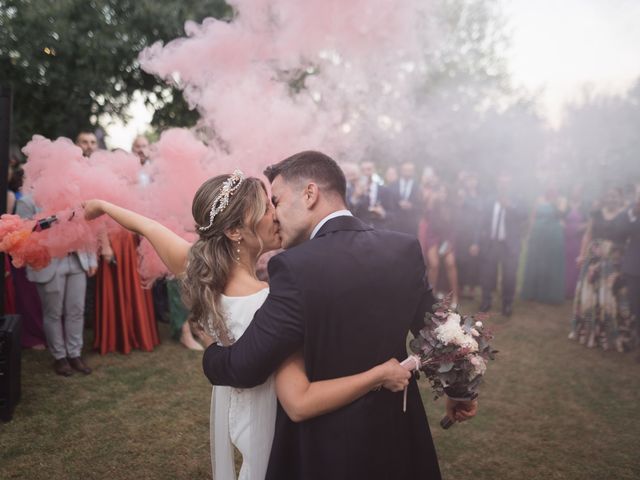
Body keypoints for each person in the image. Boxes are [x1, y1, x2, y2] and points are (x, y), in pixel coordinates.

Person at [83, 168, 418, 480]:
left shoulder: (200, 269)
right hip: (269, 425)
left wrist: (103, 205)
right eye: (267, 208)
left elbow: (149, 227)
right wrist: (379, 374)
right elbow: (299, 402)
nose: (276, 214)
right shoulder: (269, 301)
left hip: (239, 415)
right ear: (233, 231)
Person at [202, 152, 477, 479]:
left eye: (276, 200)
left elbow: (246, 366)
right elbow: (441, 329)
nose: (273, 215)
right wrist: (458, 391)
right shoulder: (403, 249)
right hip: (398, 433)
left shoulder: (293, 268)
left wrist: (212, 352)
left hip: (326, 445)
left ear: (310, 194)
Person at [16, 195, 97, 376]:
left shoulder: (71, 191)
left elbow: (86, 227)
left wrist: (92, 258)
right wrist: (50, 222)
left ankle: (75, 354)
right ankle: (60, 357)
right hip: (49, 263)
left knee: (76, 310)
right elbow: (23, 233)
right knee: (53, 312)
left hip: (76, 260)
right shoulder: (27, 201)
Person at [570, 187, 635, 351]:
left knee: (610, 297)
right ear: (604, 198)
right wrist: (582, 255)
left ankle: (608, 334)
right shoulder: (596, 213)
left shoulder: (626, 216)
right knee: (590, 295)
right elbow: (588, 234)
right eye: (608, 196)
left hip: (613, 263)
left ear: (620, 199)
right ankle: (589, 331)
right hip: (592, 261)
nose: (611, 199)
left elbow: (630, 239)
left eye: (614, 196)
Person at [474, 173, 528, 316]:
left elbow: (524, 215)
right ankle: (486, 301)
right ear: (497, 184)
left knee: (509, 276)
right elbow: (481, 222)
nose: (503, 185)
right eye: (501, 183)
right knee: (487, 274)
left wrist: (510, 206)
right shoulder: (490, 200)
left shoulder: (517, 199)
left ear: (511, 185)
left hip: (509, 245)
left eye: (506, 182)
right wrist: (476, 242)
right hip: (491, 243)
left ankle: (507, 304)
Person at [521, 188, 566, 304]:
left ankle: (549, 294)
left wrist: (554, 202)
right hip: (537, 233)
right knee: (536, 261)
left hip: (553, 234)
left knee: (550, 262)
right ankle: (532, 293)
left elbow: (560, 215)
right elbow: (533, 216)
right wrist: (529, 233)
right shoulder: (539, 199)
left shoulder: (562, 200)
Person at [351, 160, 395, 230]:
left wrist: (383, 213)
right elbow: (350, 213)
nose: (366, 173)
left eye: (369, 169)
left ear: (374, 170)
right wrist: (355, 197)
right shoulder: (352, 190)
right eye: (363, 170)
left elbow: (392, 214)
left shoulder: (385, 190)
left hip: (380, 231)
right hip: (360, 232)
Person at [388, 161, 423, 236]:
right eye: (405, 170)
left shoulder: (418, 187)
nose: (407, 173)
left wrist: (411, 206)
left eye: (410, 170)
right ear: (401, 170)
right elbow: (389, 204)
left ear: (413, 171)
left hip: (411, 225)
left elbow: (421, 206)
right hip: (395, 224)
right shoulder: (393, 185)